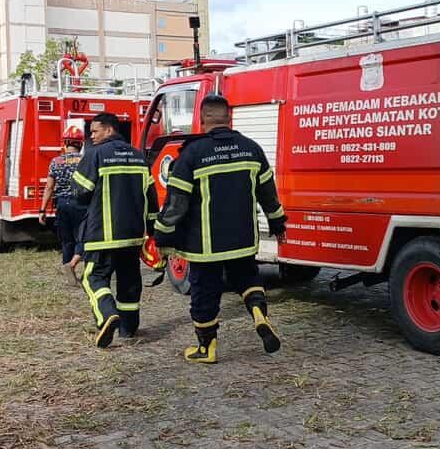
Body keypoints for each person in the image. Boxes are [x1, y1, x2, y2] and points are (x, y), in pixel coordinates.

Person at [153, 94, 286, 364]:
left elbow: (176, 204)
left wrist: (162, 234)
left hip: (205, 244)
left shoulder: (192, 154)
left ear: (202, 120)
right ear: (228, 117)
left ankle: (207, 348)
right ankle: (259, 314)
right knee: (248, 279)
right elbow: (268, 195)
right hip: (243, 239)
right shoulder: (252, 149)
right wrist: (277, 223)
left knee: (205, 293)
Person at [72, 111, 158, 348]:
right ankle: (128, 329)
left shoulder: (95, 154)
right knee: (129, 281)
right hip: (133, 236)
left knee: (93, 278)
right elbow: (151, 199)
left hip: (102, 235)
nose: (91, 137)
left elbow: (79, 192)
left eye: (95, 131)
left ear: (109, 130)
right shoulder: (140, 157)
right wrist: (152, 232)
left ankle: (107, 314)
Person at [39, 126, 86, 285]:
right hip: (81, 204)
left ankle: (69, 272)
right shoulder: (85, 160)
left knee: (67, 241)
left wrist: (42, 209)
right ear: (81, 143)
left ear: (65, 143)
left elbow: (49, 187)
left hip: (62, 204)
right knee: (84, 237)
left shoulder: (56, 161)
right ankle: (84, 270)